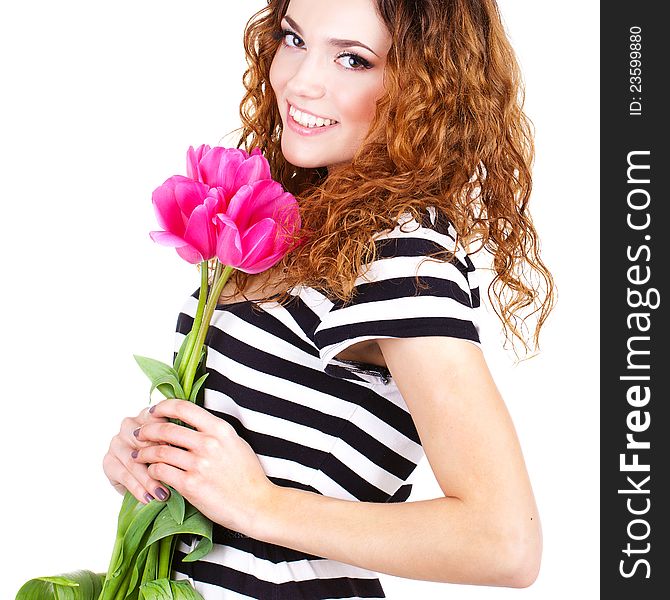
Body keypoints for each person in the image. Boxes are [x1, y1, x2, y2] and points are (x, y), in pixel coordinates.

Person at [102, 0, 555, 597]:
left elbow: (505, 543)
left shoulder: (403, 255)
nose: (300, 80)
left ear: (424, 87)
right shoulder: (302, 222)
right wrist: (154, 455)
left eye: (352, 58)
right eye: (293, 39)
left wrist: (260, 505)